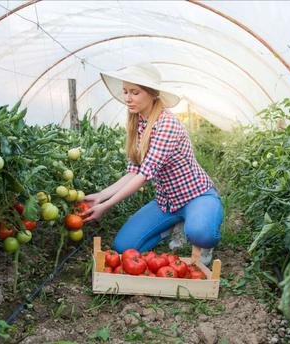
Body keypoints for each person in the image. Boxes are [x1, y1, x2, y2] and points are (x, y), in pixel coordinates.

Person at [81, 62, 223, 265]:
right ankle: (173, 226)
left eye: (135, 92)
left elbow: (144, 175)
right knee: (124, 247)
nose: (128, 98)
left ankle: (200, 233)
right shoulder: (137, 124)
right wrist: (101, 196)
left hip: (196, 196)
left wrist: (106, 205)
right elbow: (133, 172)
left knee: (201, 233)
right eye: (125, 92)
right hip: (167, 203)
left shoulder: (166, 123)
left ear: (152, 94)